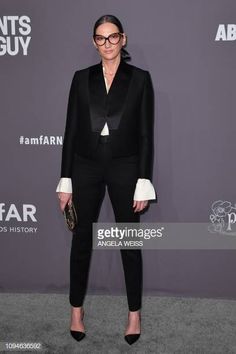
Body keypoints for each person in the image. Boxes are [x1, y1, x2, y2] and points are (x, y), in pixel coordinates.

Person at [56, 14, 156, 345]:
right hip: (85, 165)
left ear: (123, 40)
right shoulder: (80, 79)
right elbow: (70, 131)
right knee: (81, 239)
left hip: (125, 166)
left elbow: (144, 134)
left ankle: (133, 315)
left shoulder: (140, 79)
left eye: (113, 37)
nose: (107, 44)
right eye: (101, 38)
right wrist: (65, 179)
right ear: (94, 42)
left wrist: (144, 179)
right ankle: (75, 312)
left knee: (128, 242)